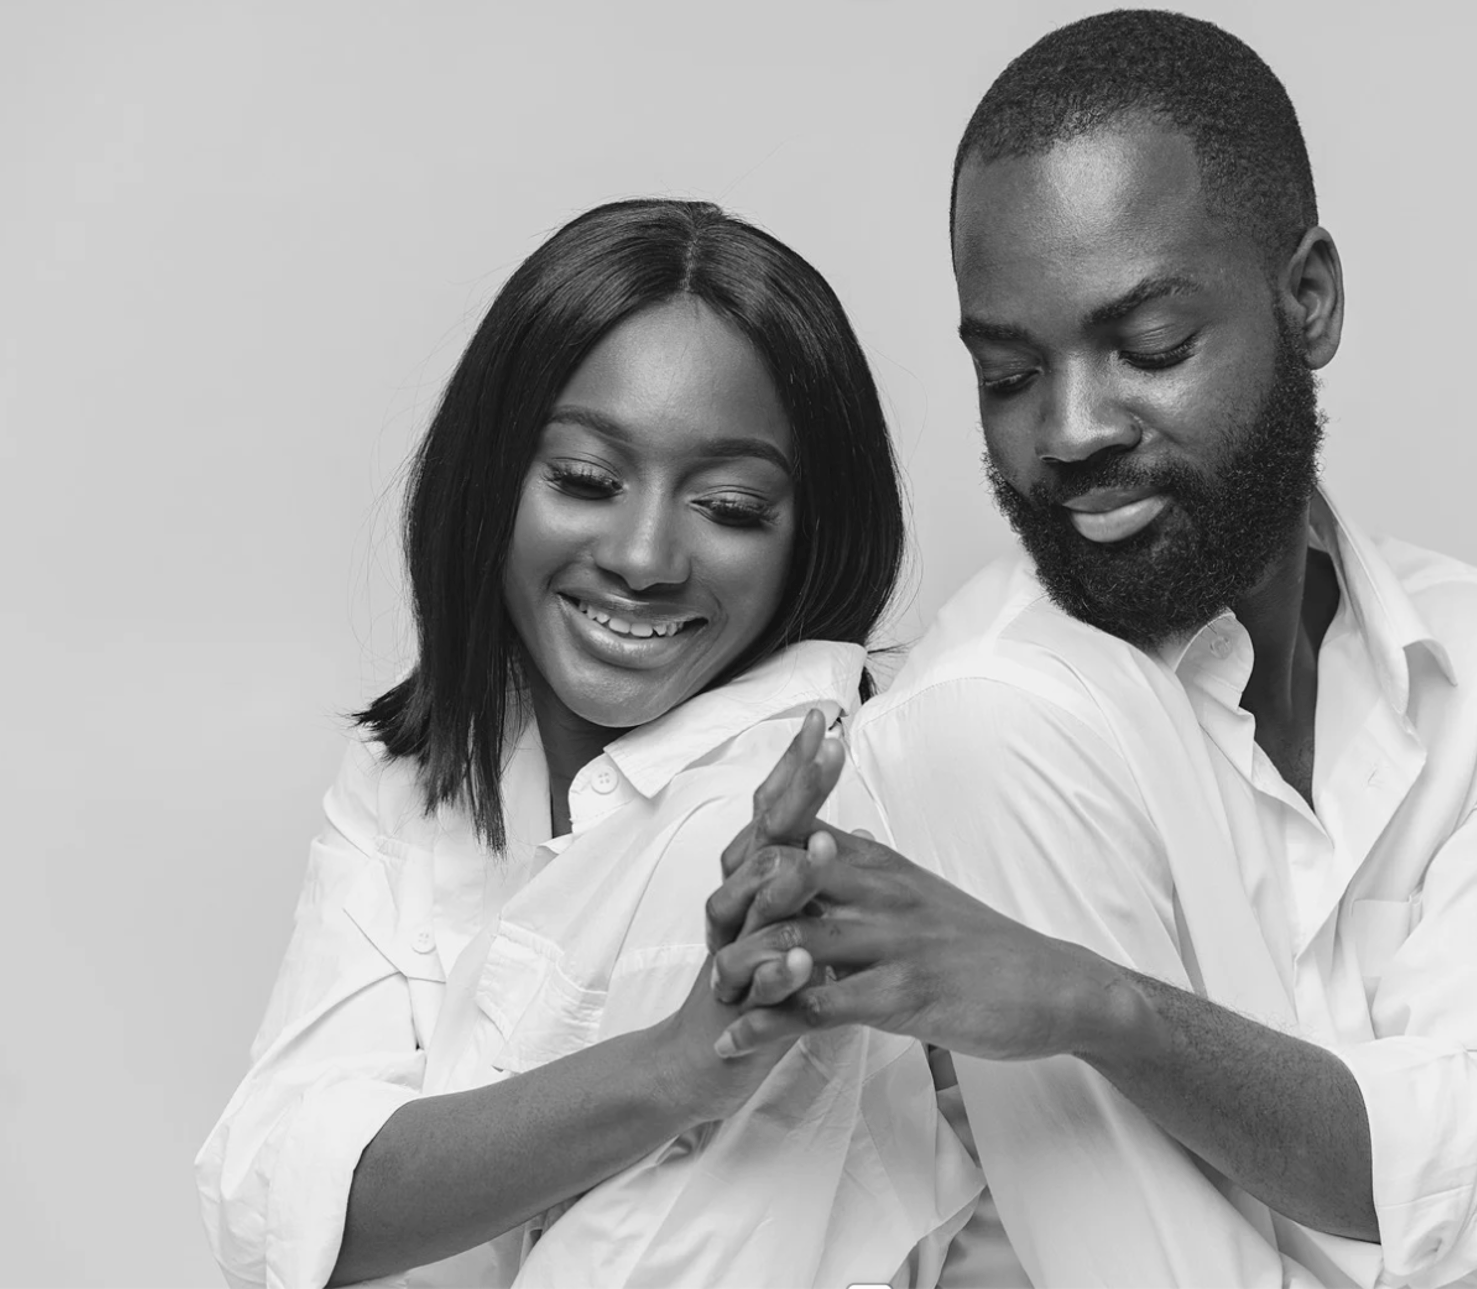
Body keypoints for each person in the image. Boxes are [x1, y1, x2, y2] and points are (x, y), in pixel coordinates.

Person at [708, 11, 1477, 1288]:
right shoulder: (972, 726)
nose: (1070, 430)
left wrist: (1095, 1003)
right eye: (1010, 373)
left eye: (1148, 347)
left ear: (1306, 298)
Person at [194, 199, 980, 1289]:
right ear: (493, 475)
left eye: (731, 504)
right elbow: (274, 1203)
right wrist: (666, 1071)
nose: (647, 555)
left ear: (811, 536)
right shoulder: (412, 775)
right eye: (585, 481)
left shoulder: (793, 829)